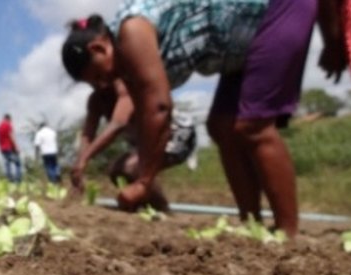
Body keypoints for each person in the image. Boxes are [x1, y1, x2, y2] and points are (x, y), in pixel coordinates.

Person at [62, 2, 317, 237]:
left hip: (277, 12)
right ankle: (252, 224)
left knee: (251, 127)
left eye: (98, 75)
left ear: (98, 48)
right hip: (240, 52)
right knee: (220, 126)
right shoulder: (124, 68)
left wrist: (144, 182)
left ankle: (287, 232)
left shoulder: (131, 32)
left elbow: (159, 108)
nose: (103, 84)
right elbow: (148, 119)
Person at [71, 79, 196, 209]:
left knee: (130, 169)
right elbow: (88, 134)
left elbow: (118, 125)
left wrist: (84, 159)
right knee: (117, 171)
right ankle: (152, 203)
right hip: (149, 145)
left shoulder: (125, 87)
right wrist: (79, 163)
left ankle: (161, 206)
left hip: (177, 135)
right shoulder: (96, 101)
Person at [0, 113, 21, 183]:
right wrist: (16, 147)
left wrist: (0, 147)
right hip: (9, 147)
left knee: (7, 163)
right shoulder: (8, 124)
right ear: (9, 119)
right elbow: (11, 136)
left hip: (2, 148)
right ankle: (18, 180)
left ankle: (9, 180)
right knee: (18, 163)